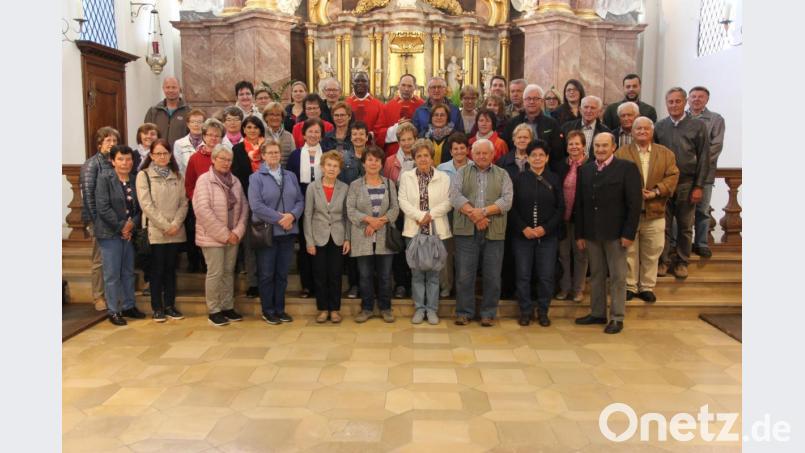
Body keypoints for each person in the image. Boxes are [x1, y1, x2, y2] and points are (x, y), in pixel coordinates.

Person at [574, 133, 642, 334]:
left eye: (605, 145)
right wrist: (579, 234)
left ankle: (617, 317)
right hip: (592, 233)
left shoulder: (626, 169)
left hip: (616, 234)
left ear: (613, 147)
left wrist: (628, 233)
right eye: (597, 146)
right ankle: (597, 312)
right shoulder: (585, 170)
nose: (601, 149)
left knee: (618, 277)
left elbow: (634, 204)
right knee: (596, 275)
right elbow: (580, 205)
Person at [616, 117, 680, 303]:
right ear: (632, 132)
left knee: (652, 250)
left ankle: (647, 286)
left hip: (655, 211)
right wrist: (632, 193)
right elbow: (615, 177)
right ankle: (630, 286)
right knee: (629, 252)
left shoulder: (665, 154)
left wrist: (656, 191)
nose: (642, 131)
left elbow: (673, 175)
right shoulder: (622, 153)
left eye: (646, 128)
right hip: (629, 213)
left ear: (652, 131)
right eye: (638, 128)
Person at [450, 139, 513, 327]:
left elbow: (507, 201)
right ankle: (464, 312)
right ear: (472, 154)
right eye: (478, 153)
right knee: (464, 275)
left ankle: (488, 313)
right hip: (466, 232)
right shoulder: (461, 172)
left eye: (486, 153)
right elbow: (454, 196)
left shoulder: (503, 174)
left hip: (494, 231)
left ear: (493, 155)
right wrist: (474, 215)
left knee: (492, 275)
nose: (482, 156)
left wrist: (483, 212)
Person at [654, 87, 710, 279]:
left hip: (687, 183)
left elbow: (704, 158)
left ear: (685, 102)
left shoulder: (697, 126)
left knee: (685, 226)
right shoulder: (659, 127)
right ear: (666, 103)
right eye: (670, 101)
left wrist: (699, 186)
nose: (674, 105)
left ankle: (682, 262)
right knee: (664, 226)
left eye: (678, 101)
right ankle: (663, 261)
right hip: (664, 184)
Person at [249, 140, 305, 325]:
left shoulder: (290, 176)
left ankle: (280, 309)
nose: (274, 155)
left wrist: (292, 216)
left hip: (288, 233)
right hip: (268, 233)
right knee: (266, 274)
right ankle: (268, 310)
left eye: (276, 152)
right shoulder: (256, 178)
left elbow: (299, 200)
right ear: (263, 156)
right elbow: (256, 206)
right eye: (270, 152)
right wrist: (280, 219)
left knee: (282, 274)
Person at [193, 144, 249, 327]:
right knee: (215, 273)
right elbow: (202, 210)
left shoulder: (235, 181)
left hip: (233, 236)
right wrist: (225, 234)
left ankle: (227, 306)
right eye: (222, 159)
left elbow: (243, 209)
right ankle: (214, 309)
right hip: (212, 238)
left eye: (229, 160)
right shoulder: (204, 181)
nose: (226, 163)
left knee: (228, 272)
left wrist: (237, 232)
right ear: (213, 159)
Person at [398, 139, 453, 324]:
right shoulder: (406, 176)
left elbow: (448, 201)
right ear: (414, 158)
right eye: (419, 156)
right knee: (417, 273)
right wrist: (419, 216)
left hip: (437, 231)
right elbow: (402, 201)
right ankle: (419, 309)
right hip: (413, 232)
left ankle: (432, 310)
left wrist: (430, 215)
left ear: (432, 157)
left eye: (426, 155)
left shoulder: (444, 177)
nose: (423, 159)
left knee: (434, 273)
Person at [510, 140, 564, 327]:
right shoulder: (519, 178)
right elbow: (512, 207)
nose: (537, 158)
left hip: (547, 237)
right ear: (527, 157)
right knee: (523, 274)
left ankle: (543, 311)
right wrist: (523, 228)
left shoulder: (554, 179)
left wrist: (545, 228)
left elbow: (560, 209)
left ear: (547, 158)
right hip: (522, 236)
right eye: (534, 155)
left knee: (546, 275)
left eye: (541, 155)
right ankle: (525, 311)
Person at [136, 139, 188, 322]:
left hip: (176, 230)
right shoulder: (144, 176)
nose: (162, 156)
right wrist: (166, 226)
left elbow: (184, 203)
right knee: (157, 270)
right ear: (151, 156)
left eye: (165, 153)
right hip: (157, 231)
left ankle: (170, 306)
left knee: (171, 270)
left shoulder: (178, 175)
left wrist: (176, 223)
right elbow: (146, 205)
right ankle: (157, 307)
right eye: (158, 153)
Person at [346, 146, 400, 323]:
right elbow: (351, 210)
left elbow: (394, 209)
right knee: (365, 275)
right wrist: (369, 219)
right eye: (370, 159)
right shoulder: (355, 185)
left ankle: (386, 308)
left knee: (385, 276)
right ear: (363, 163)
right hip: (362, 236)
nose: (373, 163)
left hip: (384, 237)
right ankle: (367, 308)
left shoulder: (389, 184)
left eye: (377, 160)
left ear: (381, 163)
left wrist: (378, 223)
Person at [94, 145, 146, 326]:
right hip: (110, 234)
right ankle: (114, 310)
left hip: (129, 234)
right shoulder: (104, 178)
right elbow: (102, 207)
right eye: (121, 159)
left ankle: (128, 305)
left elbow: (141, 208)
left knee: (128, 272)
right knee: (112, 274)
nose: (125, 163)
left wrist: (131, 225)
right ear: (112, 161)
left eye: (129, 159)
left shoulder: (135, 179)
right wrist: (121, 227)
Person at [304, 151, 351, 323]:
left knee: (335, 274)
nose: (331, 169)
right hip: (318, 237)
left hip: (338, 237)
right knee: (320, 274)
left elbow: (347, 216)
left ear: (339, 170)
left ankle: (335, 309)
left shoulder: (345, 188)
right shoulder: (312, 188)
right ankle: (323, 309)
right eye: (328, 165)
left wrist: (347, 238)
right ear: (322, 167)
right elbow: (308, 215)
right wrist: (309, 241)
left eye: (335, 166)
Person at [80, 126, 122, 311]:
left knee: (114, 259)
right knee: (99, 259)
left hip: (114, 218)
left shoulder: (115, 162)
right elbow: (88, 194)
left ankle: (113, 294)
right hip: (98, 219)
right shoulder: (92, 164)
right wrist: (97, 220)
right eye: (108, 141)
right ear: (99, 144)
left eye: (114, 141)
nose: (112, 144)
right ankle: (98, 296)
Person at [287, 118, 327, 298]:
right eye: (310, 131)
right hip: (302, 203)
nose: (313, 135)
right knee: (305, 245)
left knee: (321, 244)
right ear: (303, 134)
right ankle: (307, 285)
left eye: (317, 131)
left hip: (323, 203)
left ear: (322, 135)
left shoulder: (327, 153)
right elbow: (290, 182)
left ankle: (321, 285)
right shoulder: (295, 155)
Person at [687, 86, 725, 259]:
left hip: (705, 175)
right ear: (688, 99)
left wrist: (693, 161)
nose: (696, 99)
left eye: (700, 97)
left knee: (702, 210)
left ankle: (701, 243)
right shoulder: (682, 117)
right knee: (680, 211)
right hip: (683, 174)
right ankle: (678, 243)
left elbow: (715, 146)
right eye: (693, 96)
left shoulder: (716, 119)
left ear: (706, 100)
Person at [496, 123, 534, 299]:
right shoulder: (504, 161)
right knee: (508, 254)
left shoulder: (536, 159)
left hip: (529, 215)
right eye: (519, 137)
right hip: (507, 214)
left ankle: (527, 292)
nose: (522, 140)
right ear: (513, 139)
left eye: (526, 137)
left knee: (528, 256)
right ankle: (508, 290)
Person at [231, 116, 266, 298]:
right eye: (249, 127)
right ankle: (253, 283)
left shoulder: (268, 147)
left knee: (266, 244)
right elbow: (235, 176)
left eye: (256, 127)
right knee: (250, 245)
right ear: (243, 130)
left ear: (261, 130)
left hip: (267, 204)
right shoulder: (237, 149)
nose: (252, 130)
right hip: (247, 202)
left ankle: (266, 280)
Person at [184, 118, 225, 273]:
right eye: (210, 135)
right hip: (200, 207)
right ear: (204, 136)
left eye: (217, 135)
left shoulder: (227, 156)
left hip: (221, 208)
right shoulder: (195, 158)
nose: (214, 138)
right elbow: (189, 184)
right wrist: (198, 201)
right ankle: (199, 265)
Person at [554, 130, 589, 303]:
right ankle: (565, 287)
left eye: (577, 143)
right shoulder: (561, 165)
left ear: (583, 146)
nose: (574, 147)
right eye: (571, 144)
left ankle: (578, 289)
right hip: (562, 218)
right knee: (563, 254)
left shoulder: (590, 165)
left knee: (580, 255)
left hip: (582, 219)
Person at [383, 121, 417, 298]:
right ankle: (401, 284)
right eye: (402, 140)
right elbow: (386, 187)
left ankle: (415, 282)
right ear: (398, 141)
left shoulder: (421, 158)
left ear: (415, 139)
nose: (406, 143)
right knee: (398, 248)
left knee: (414, 247)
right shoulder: (390, 161)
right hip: (397, 212)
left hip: (415, 212)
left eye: (410, 139)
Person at [437, 132, 473, 298]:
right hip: (446, 215)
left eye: (462, 148)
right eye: (455, 149)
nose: (459, 151)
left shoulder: (474, 166)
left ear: (467, 149)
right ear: (450, 151)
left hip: (468, 216)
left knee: (464, 255)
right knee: (445, 253)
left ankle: (462, 288)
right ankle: (446, 285)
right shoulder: (441, 169)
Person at [503, 84, 563, 171]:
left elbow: (557, 153)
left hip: (544, 171)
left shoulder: (552, 124)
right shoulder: (512, 123)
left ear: (542, 101)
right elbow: (507, 148)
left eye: (536, 99)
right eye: (528, 99)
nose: (531, 102)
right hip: (517, 171)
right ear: (524, 101)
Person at [377, 74, 425, 157]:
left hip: (417, 153)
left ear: (415, 87)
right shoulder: (388, 107)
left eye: (410, 86)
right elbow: (379, 133)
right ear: (398, 86)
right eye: (403, 85)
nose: (406, 89)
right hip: (394, 154)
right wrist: (397, 128)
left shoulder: (422, 106)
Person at [144, 76, 191, 147]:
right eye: (168, 87)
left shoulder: (189, 111)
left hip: (180, 155)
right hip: (158, 154)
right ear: (163, 89)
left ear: (180, 89)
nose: (171, 90)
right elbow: (146, 134)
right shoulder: (153, 111)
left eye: (174, 87)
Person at [173, 109, 207, 176]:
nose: (196, 125)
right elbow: (178, 168)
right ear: (188, 125)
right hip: (185, 182)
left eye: (199, 122)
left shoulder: (209, 143)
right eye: (193, 122)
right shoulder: (179, 144)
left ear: (205, 124)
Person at [262, 102, 296, 167]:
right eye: (271, 114)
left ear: (282, 118)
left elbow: (293, 158)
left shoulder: (289, 136)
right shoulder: (261, 134)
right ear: (266, 117)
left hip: (284, 174)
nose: (275, 118)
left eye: (278, 115)